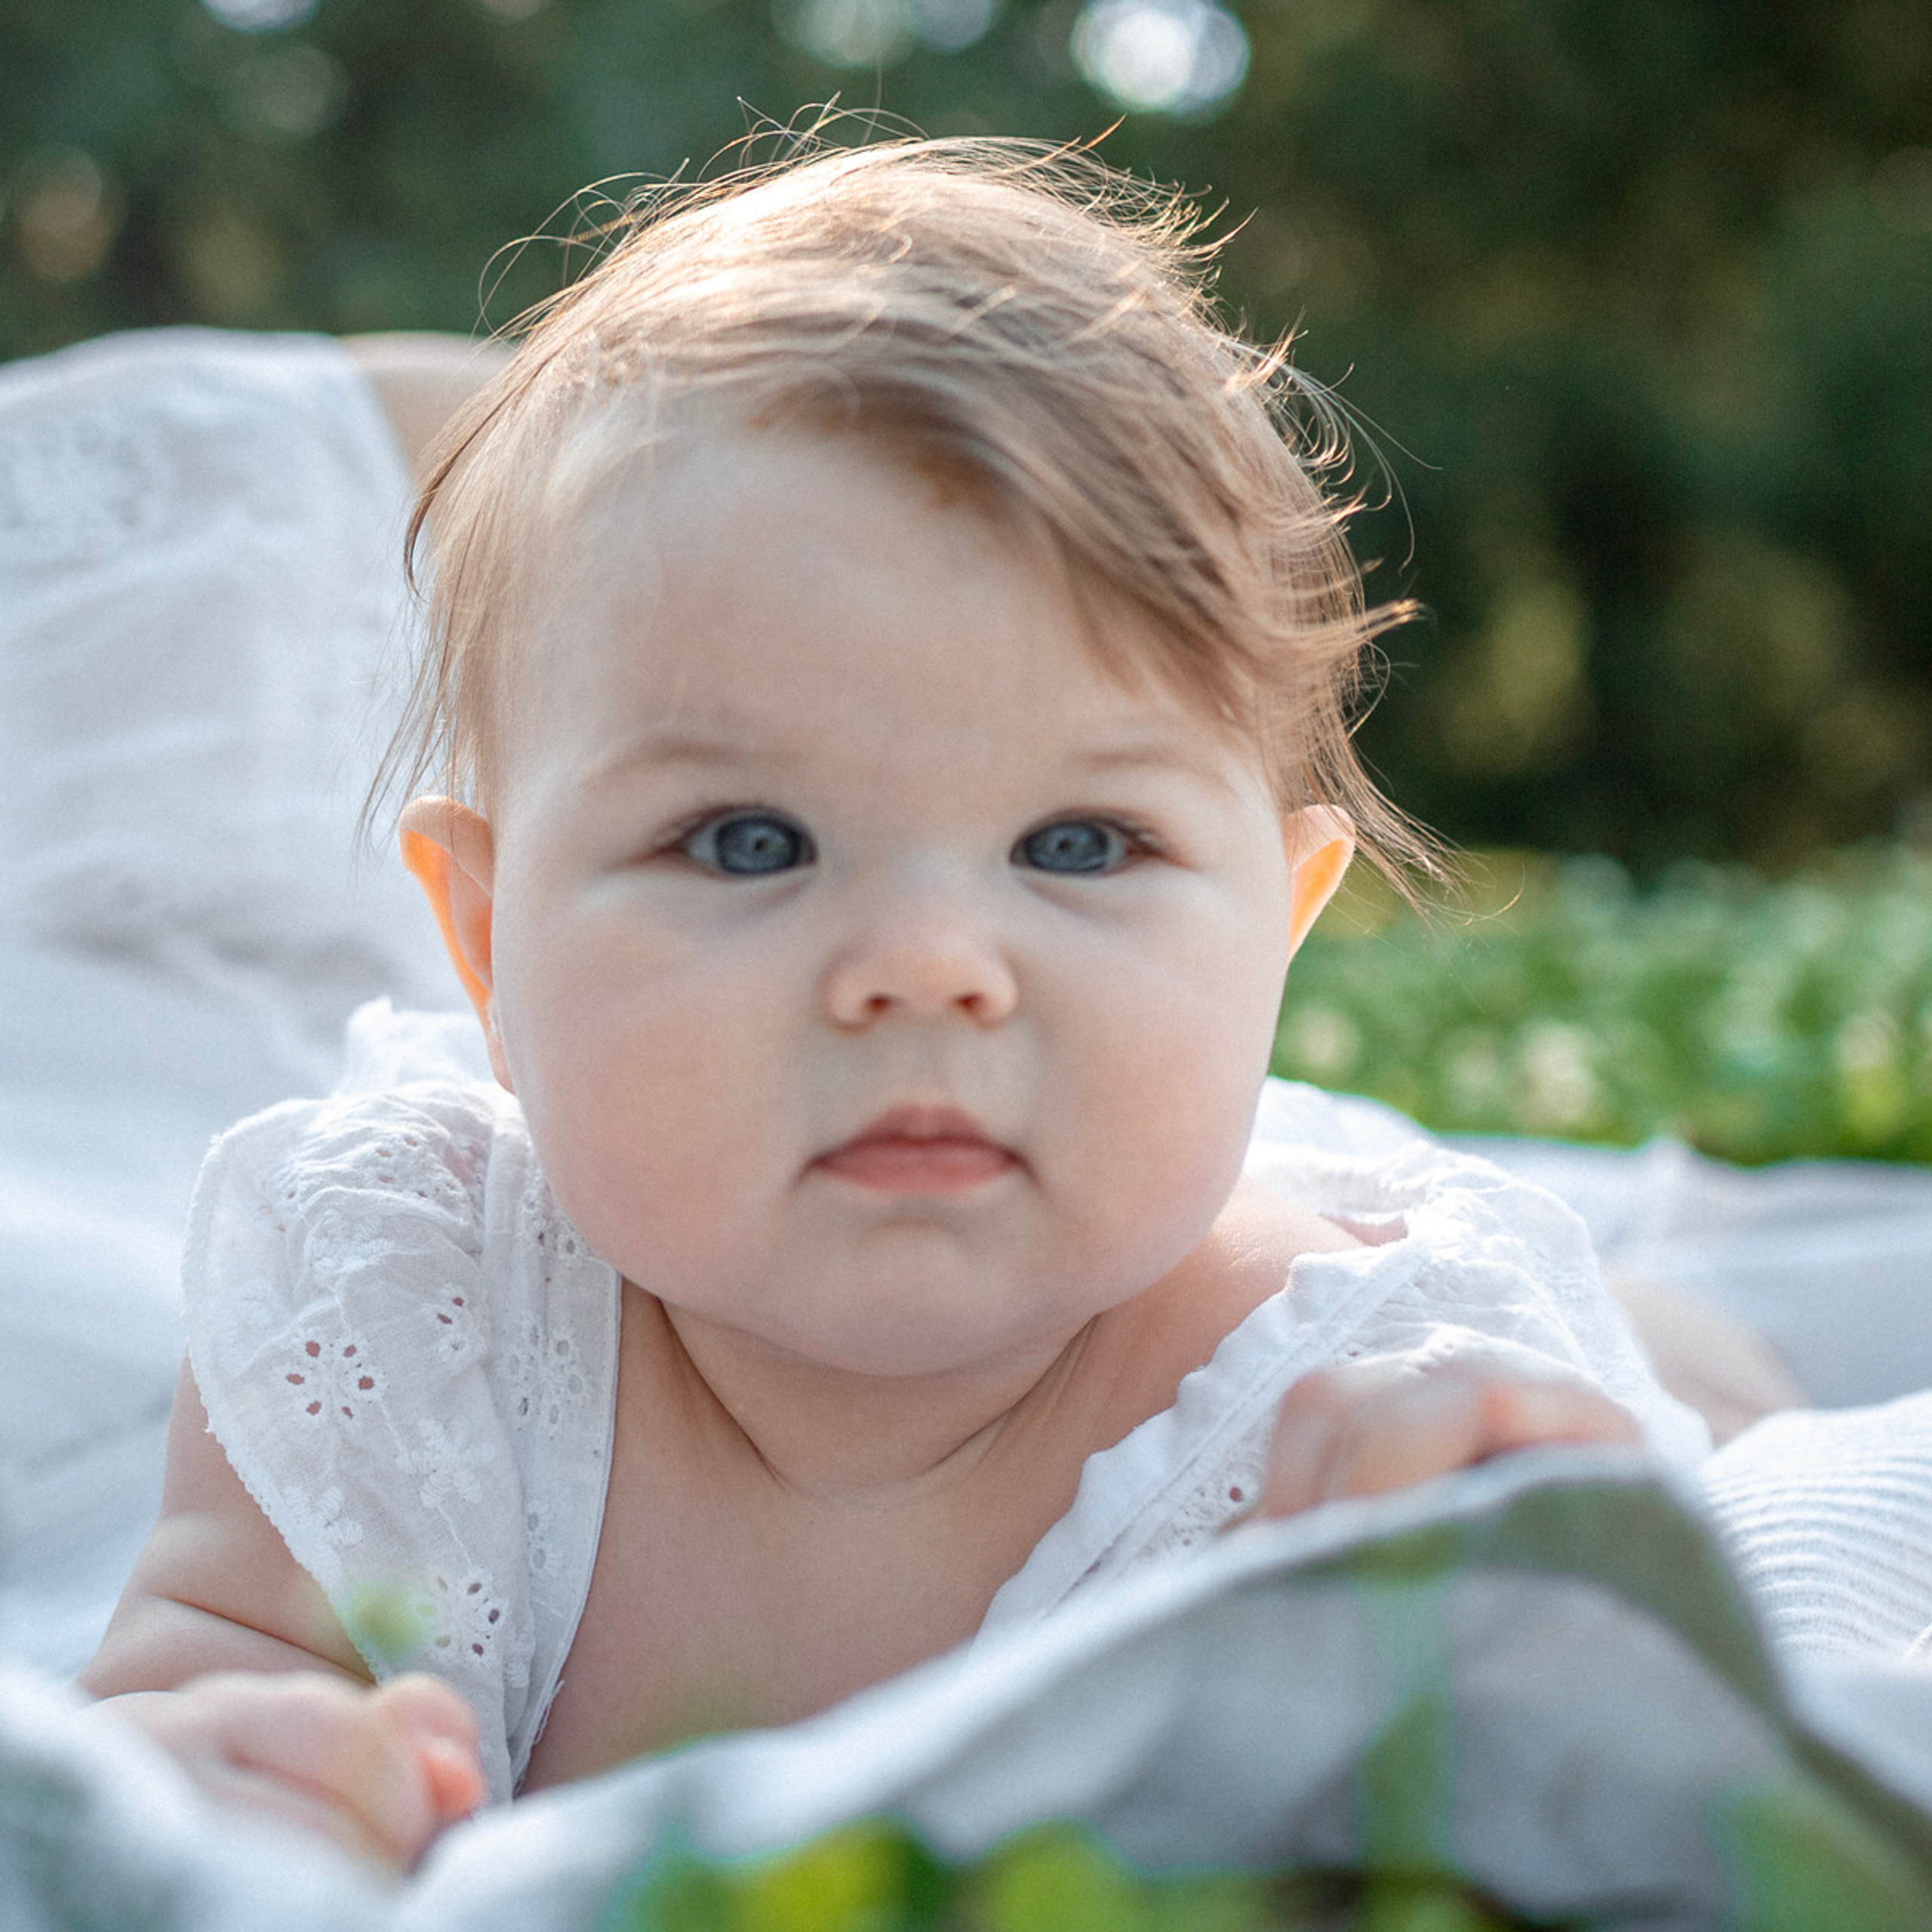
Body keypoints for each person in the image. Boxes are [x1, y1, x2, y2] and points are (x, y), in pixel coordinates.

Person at [77, 137, 1711, 1870]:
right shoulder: (400, 1305)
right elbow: (190, 1679)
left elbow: (1647, 1760)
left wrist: (1544, 1561)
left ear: (1277, 937)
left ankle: (1702, 1343)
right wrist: (229, 1757)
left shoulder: (1339, 1410)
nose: (928, 962)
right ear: (484, 946)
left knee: (1671, 1365)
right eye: (747, 839)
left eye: (1077, 842)